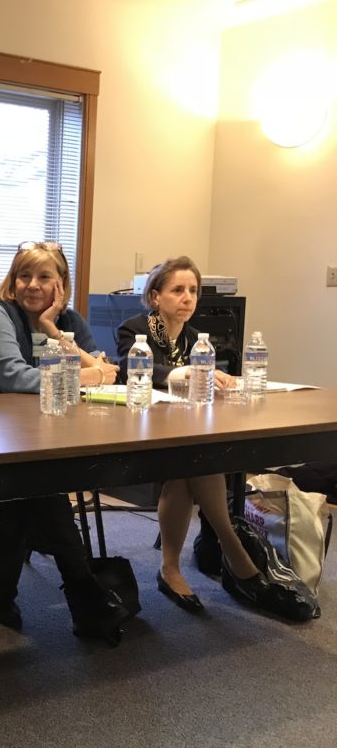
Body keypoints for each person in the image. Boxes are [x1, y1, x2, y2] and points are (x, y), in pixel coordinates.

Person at [0, 241, 129, 645]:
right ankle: (83, 591)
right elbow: (15, 376)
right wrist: (87, 374)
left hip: (40, 431)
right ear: (13, 281)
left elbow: (106, 369)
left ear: (61, 284)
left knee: (31, 488)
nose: (32, 285)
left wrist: (52, 330)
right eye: (24, 275)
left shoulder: (68, 320)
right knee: (40, 484)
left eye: (44, 276)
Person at [116, 256, 266, 611]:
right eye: (178, 290)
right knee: (197, 459)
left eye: (193, 291)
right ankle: (234, 551)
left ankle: (172, 568)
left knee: (191, 464)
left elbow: (201, 380)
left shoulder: (194, 338)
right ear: (155, 296)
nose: (188, 298)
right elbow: (131, 368)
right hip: (140, 427)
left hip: (184, 429)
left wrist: (219, 377)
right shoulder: (133, 329)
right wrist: (182, 374)